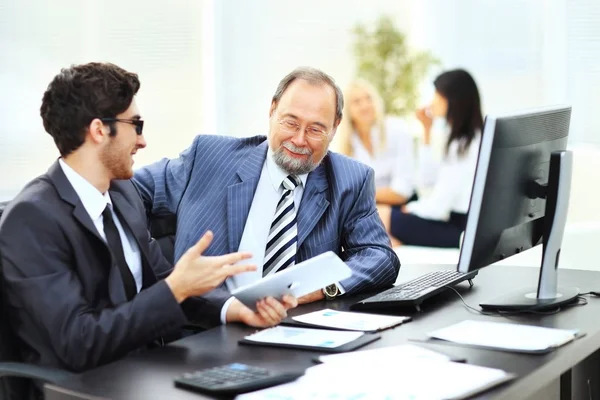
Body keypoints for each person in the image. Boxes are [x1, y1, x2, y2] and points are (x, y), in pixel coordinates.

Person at [0, 62, 296, 374]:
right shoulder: (32, 219)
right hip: (84, 386)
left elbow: (165, 282)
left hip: (150, 368)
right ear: (100, 130)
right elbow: (78, 343)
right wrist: (176, 288)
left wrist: (235, 309)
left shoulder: (123, 194)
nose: (142, 141)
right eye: (136, 126)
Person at [133, 67, 400, 318]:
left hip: (295, 329)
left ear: (335, 127)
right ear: (272, 111)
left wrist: (324, 288)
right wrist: (151, 263)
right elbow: (128, 190)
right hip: (205, 328)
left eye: (315, 129)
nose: (299, 139)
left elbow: (380, 256)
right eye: (290, 123)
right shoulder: (208, 156)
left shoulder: (350, 178)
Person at [378, 69, 483, 248]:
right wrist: (426, 131)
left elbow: (437, 208)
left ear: (453, 99)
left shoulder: (465, 146)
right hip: (457, 221)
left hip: (460, 229)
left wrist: (412, 208)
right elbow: (428, 181)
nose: (432, 101)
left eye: (437, 94)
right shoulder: (458, 138)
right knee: (392, 217)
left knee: (382, 213)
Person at [335, 78, 416, 206]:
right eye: (357, 101)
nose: (365, 105)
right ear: (347, 110)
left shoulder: (397, 129)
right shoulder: (348, 145)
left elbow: (402, 191)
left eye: (369, 98)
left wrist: (361, 194)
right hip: (368, 207)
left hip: (402, 206)